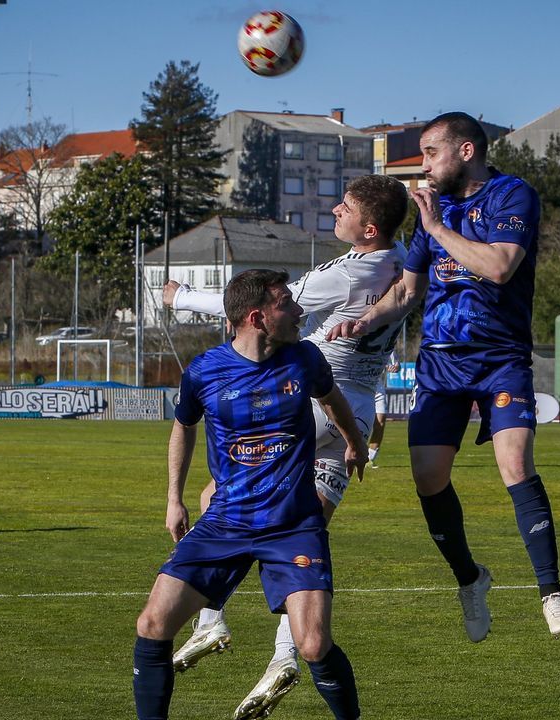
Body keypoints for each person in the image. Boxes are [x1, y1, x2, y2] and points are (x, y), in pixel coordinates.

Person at [161, 174, 408, 719]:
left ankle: (210, 621)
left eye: (343, 208)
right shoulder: (403, 261)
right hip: (356, 412)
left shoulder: (351, 274)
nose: (334, 212)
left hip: (310, 401)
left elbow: (265, 306)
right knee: (302, 533)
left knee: (226, 505)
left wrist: (183, 298)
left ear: (368, 228)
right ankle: (282, 655)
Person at [329, 112, 560, 642]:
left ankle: (551, 593)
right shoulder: (430, 214)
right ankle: (471, 579)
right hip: (441, 362)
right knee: (428, 479)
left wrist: (439, 226)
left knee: (515, 464)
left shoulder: (512, 196)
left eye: (429, 153)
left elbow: (500, 267)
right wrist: (364, 320)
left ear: (465, 151)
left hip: (500, 357)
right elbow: (406, 291)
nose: (423, 165)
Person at [133, 269, 367, 720]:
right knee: (153, 624)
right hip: (226, 523)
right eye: (287, 304)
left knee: (314, 644)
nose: (299, 312)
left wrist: (355, 443)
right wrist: (174, 498)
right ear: (258, 317)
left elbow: (334, 399)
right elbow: (183, 428)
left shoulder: (305, 359)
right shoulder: (203, 371)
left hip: (294, 526)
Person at [366, 352, 399, 469]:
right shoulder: (360, 338)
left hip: (378, 387)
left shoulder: (388, 341)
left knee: (380, 422)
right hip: (359, 384)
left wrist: (395, 367)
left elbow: (396, 364)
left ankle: (369, 459)